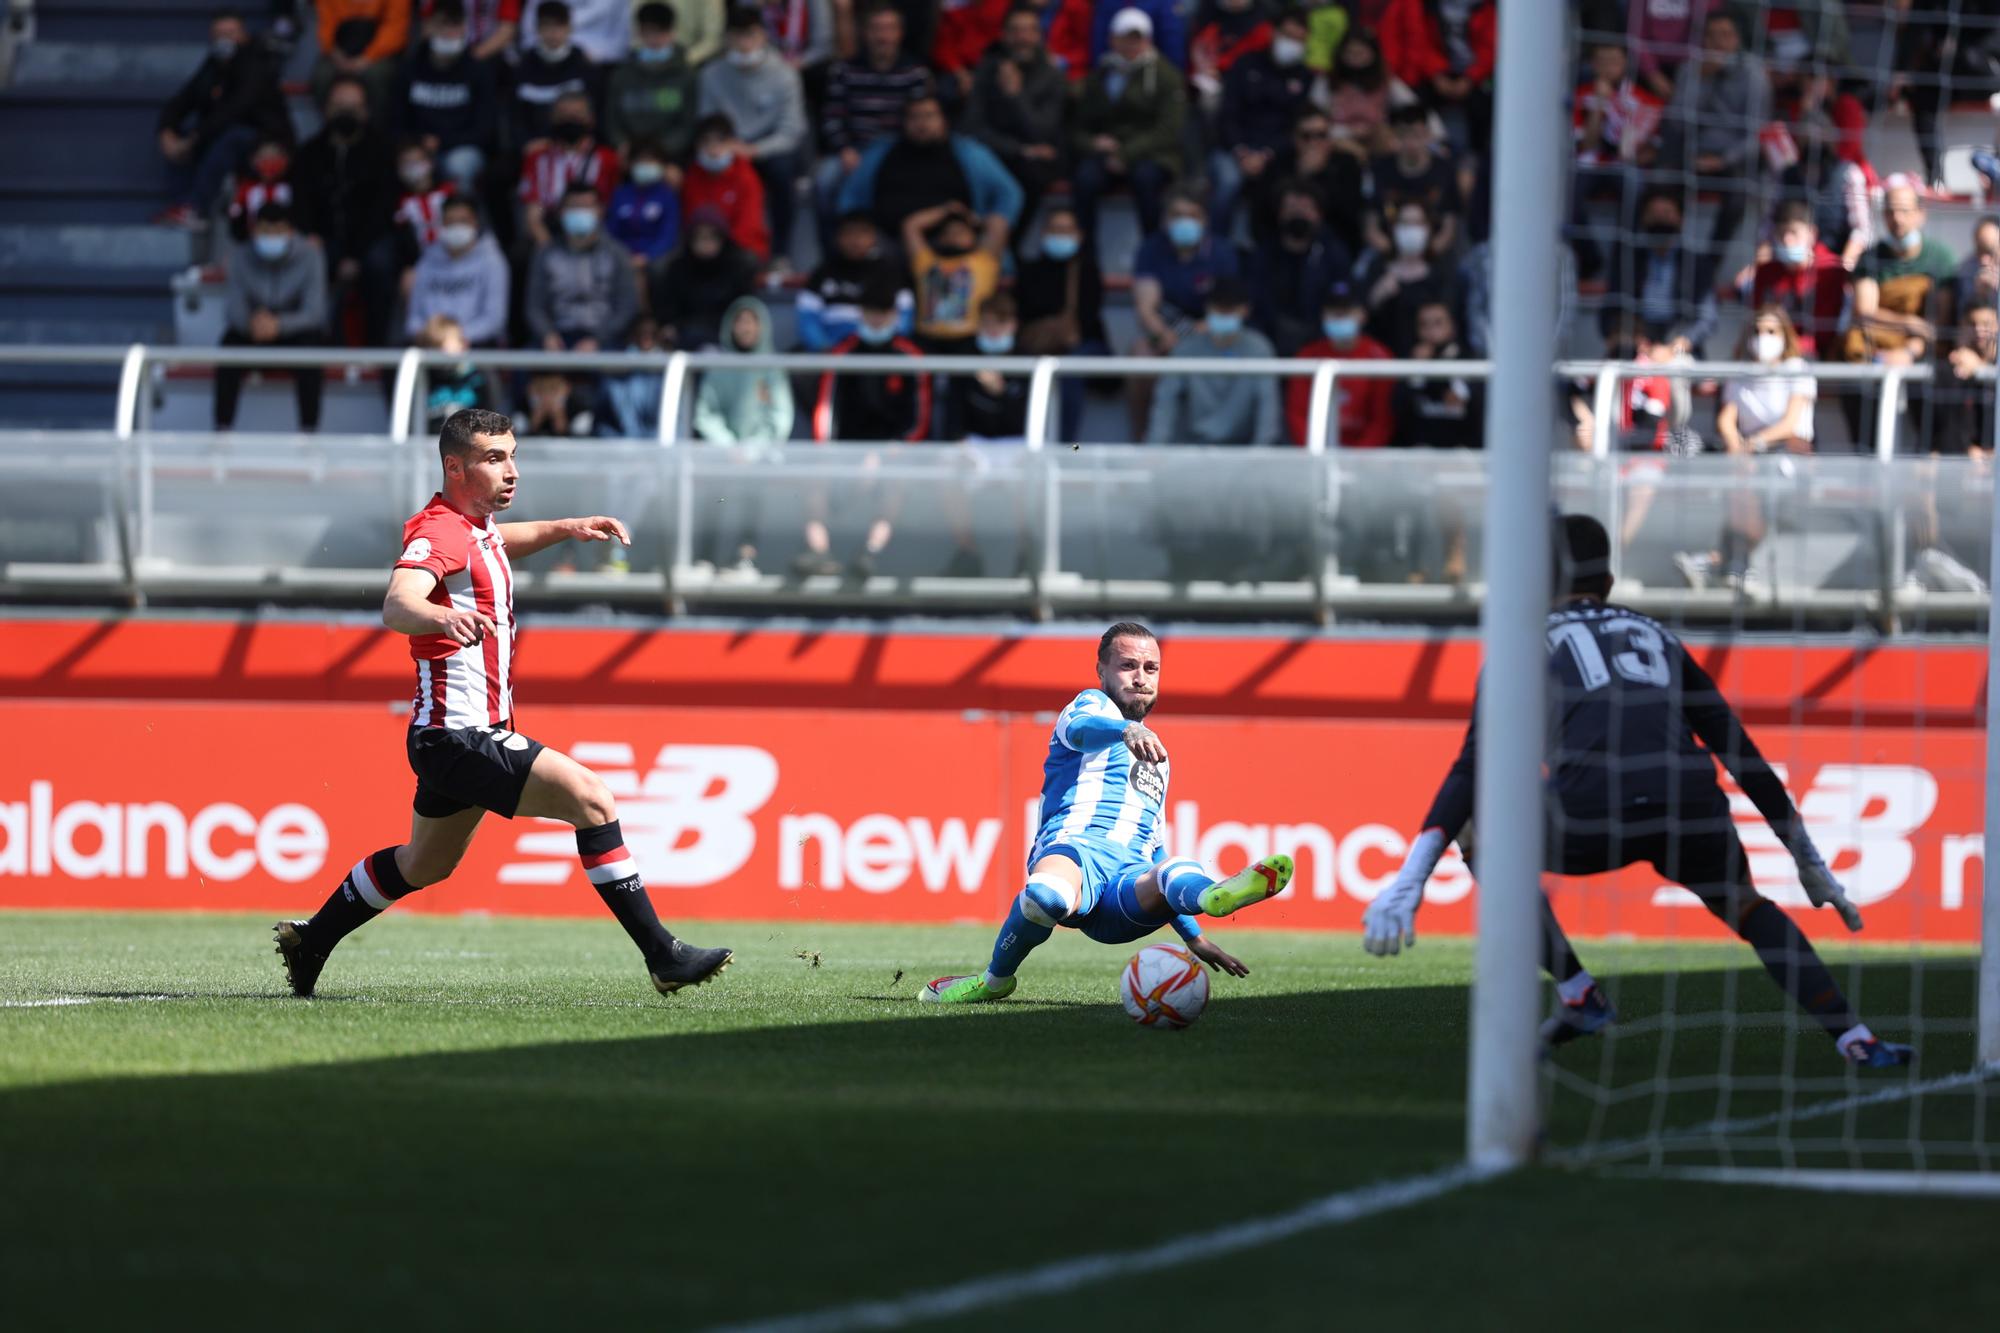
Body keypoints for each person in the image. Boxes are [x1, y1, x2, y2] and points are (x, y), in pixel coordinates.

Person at [1362, 513, 1914, 1070]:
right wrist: (1807, 857)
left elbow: (1473, 767)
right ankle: (1856, 1039)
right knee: (1746, 907)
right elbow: (1737, 749)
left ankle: (1579, 991)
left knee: (1478, 824)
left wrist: (1413, 879)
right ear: (1608, 580)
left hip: (1589, 813)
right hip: (1687, 804)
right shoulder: (1658, 635)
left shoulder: (1522, 644)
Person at [272, 409, 734, 1000]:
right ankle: (663, 955)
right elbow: (396, 603)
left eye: (513, 455)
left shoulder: (471, 527)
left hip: (447, 738)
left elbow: (497, 542)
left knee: (423, 865)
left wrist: (566, 527)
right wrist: (440, 613)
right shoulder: (438, 533)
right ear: (455, 466)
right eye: (495, 459)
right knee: (592, 800)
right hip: (460, 735)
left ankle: (313, 940)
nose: (511, 471)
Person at [921, 622, 1294, 1004]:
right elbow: (1083, 730)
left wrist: (1193, 937)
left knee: (1172, 867)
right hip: (1078, 856)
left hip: (1125, 890)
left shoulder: (1158, 760)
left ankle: (1212, 896)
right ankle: (994, 979)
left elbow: (1154, 849)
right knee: (1046, 897)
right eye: (1128, 666)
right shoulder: (1090, 707)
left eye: (1151, 669)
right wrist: (1125, 730)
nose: (1140, 678)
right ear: (1101, 671)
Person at [1673, 305, 1817, 593]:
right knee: (1736, 472)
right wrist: (1736, 446)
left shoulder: (1798, 369)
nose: (1763, 337)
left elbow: (1790, 423)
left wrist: (1753, 445)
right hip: (1750, 452)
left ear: (1785, 335)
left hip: (1790, 451)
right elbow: (1727, 419)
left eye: (1771, 331)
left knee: (1753, 480)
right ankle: (1732, 565)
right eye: (1758, 331)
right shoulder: (1741, 372)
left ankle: (1721, 561)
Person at [156, 8, 292, 229]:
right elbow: (183, 99)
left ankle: (196, 208)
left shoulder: (256, 63)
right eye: (220, 34)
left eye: (232, 33)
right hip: (220, 134)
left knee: (231, 136)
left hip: (265, 140)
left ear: (244, 35)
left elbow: (234, 110)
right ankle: (182, 204)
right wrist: (166, 130)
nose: (226, 39)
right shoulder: (213, 64)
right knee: (180, 136)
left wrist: (195, 137)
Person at [838, 94, 1024, 254]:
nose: (922, 123)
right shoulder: (882, 152)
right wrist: (858, 228)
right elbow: (850, 197)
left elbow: (1010, 192)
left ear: (944, 120)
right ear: (903, 122)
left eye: (929, 116)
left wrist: (998, 221)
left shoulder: (969, 153)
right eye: (914, 117)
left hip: (951, 244)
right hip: (888, 244)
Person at [293, 77, 401, 345]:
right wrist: (311, 236)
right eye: (339, 105)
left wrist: (354, 254)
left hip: (370, 238)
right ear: (326, 108)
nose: (346, 112)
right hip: (324, 237)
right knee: (309, 258)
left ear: (366, 110)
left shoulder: (383, 151)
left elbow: (382, 209)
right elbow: (301, 204)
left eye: (353, 106)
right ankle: (316, 343)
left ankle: (379, 348)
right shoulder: (309, 153)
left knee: (380, 263)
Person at [698, 11, 810, 267]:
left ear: (764, 37)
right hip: (725, 143)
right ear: (726, 40)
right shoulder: (711, 74)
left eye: (750, 35)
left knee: (782, 171)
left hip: (771, 147)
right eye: (737, 37)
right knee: (702, 167)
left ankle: (781, 253)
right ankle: (711, 251)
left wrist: (755, 150)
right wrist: (724, 145)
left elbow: (792, 131)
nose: (744, 44)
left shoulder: (784, 74)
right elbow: (706, 120)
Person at [815, 3, 934, 244]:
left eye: (889, 29)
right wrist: (844, 149)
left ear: (900, 33)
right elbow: (832, 117)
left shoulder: (915, 72)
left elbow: (919, 120)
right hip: (855, 149)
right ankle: (833, 251)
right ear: (865, 33)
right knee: (824, 179)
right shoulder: (845, 70)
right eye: (877, 29)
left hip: (897, 151)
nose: (883, 36)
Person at [692, 296, 794, 573]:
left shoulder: (772, 368)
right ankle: (705, 557)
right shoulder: (719, 366)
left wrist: (751, 450)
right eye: (741, 322)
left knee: (754, 495)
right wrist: (728, 446)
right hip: (723, 455)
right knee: (714, 497)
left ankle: (744, 557)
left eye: (751, 322)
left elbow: (779, 417)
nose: (746, 328)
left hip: (759, 456)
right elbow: (706, 412)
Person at [1071, 8, 1186, 241]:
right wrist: (1093, 143)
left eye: (1138, 38)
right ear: (1112, 39)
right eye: (1125, 38)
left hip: (1152, 154)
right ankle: (1086, 258)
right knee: (1085, 179)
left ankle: (1153, 251)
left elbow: (1168, 130)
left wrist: (1126, 154)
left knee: (1146, 179)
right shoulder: (1100, 74)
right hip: (1108, 152)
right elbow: (1077, 125)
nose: (1131, 44)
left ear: (1148, 40)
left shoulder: (1166, 76)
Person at [214, 203, 328, 432]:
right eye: (265, 230)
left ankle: (309, 433)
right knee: (228, 346)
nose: (271, 237)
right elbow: (233, 309)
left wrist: (280, 325)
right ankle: (222, 432)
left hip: (293, 332)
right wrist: (251, 323)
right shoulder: (240, 256)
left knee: (312, 351)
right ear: (255, 231)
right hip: (253, 330)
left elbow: (315, 313)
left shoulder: (310, 256)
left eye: (278, 231)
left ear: (290, 231)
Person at [1658, 8, 1766, 248]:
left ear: (1737, 40)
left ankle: (1709, 263)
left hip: (1731, 158)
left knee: (1739, 198)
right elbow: (1676, 122)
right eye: (1712, 35)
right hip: (1690, 151)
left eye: (1725, 35)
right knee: (1658, 188)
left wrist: (1723, 160)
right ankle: (1666, 254)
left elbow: (1756, 135)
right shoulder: (1690, 69)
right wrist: (1703, 80)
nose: (1718, 42)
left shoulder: (1753, 74)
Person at [961, 5, 1068, 243]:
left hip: (1034, 161)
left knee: (1033, 174)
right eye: (1016, 31)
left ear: (1039, 35)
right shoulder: (987, 70)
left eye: (1029, 31)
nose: (1023, 38)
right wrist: (1019, 149)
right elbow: (972, 126)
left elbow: (1043, 131)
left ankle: (1007, 246)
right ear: (1004, 35)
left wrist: (1016, 95)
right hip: (996, 153)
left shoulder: (1051, 76)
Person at [1210, 7, 1311, 234]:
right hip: (1234, 148)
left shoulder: (1305, 77)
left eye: (1298, 39)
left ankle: (1266, 249)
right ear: (1273, 33)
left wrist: (1266, 154)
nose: (1291, 43)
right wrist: (1241, 151)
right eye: (1287, 36)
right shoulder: (1246, 64)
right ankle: (1216, 248)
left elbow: (1296, 126)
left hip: (1277, 153)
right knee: (1228, 182)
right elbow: (1227, 114)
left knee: (1281, 188)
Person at [1146, 278, 1280, 447]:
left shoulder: (1259, 349)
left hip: (1243, 452)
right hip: (1193, 449)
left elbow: (1267, 413)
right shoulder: (1186, 349)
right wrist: (1154, 451)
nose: (1224, 315)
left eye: (1230, 310)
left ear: (1245, 311)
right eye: (1219, 309)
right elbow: (1165, 404)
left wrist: (1260, 455)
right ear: (1208, 308)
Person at [524, 182, 639, 353]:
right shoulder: (546, 254)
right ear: (561, 212)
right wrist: (547, 335)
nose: (580, 213)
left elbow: (627, 306)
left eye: (586, 207)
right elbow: (534, 306)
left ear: (600, 211)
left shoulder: (617, 254)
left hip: (604, 338)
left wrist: (598, 340)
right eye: (574, 207)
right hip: (557, 337)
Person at [395, 1, 498, 192]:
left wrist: (442, 141)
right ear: (428, 26)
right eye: (443, 24)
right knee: (410, 165)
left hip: (461, 148)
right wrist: (417, 144)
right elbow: (397, 119)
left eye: (456, 25)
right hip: (417, 148)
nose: (449, 32)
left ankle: (460, 215)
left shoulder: (478, 71)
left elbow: (484, 129)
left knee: (459, 164)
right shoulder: (410, 68)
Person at [1376, 0, 1494, 156]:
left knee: (1486, 106)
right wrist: (1437, 74)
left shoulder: (1486, 8)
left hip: (1474, 77)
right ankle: (1438, 148)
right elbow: (1420, 41)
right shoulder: (1425, 5)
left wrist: (1471, 78)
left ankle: (1477, 160)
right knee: (1415, 103)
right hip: (1433, 75)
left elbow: (1490, 48)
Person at [1246, 181, 1351, 356]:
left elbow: (1342, 297)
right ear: (1280, 214)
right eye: (1292, 208)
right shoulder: (1263, 255)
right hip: (1270, 341)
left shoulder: (1333, 253)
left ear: (1318, 215)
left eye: (1305, 208)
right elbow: (1254, 302)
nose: (1298, 214)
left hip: (1322, 341)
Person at [1285, 282, 1392, 448]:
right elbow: (1297, 414)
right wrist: (1315, 451)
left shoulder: (1379, 356)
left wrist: (1357, 459)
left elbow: (1382, 420)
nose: (1339, 318)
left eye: (1346, 313)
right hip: (1317, 450)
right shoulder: (1308, 355)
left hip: (1364, 457)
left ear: (1362, 315)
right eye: (1334, 314)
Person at [1743, 200, 1849, 360]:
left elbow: (1826, 330)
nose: (1787, 239)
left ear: (1812, 234)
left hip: (1817, 355)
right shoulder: (1766, 272)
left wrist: (1789, 346)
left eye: (1793, 232)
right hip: (1770, 350)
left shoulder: (1830, 270)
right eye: (1781, 233)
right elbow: (1756, 317)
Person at [1353, 199, 1460, 357]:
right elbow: (1359, 316)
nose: (1411, 229)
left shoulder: (1442, 271)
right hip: (1381, 359)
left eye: (1417, 223)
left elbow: (1451, 322)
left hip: (1431, 362)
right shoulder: (1376, 267)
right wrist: (1376, 296)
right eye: (1405, 222)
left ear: (1428, 228)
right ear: (1393, 228)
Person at [518, 90, 621, 250]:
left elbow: (612, 207)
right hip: (551, 231)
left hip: (598, 234)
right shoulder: (538, 158)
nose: (570, 121)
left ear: (591, 120)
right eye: (564, 115)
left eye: (577, 115)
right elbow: (535, 210)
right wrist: (548, 248)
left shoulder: (608, 159)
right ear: (553, 119)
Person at [797, 211, 914, 351]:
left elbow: (905, 321)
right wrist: (825, 351)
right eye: (849, 233)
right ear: (838, 237)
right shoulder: (822, 273)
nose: (855, 240)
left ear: (873, 236)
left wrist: (885, 348)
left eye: (862, 233)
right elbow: (808, 320)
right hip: (832, 356)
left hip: (884, 353)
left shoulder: (891, 271)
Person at [405, 195, 511, 346]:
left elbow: (494, 320)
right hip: (429, 345)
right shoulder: (427, 261)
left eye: (463, 221)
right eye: (450, 222)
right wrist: (428, 334)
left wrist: (457, 336)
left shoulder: (492, 261)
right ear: (442, 224)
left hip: (474, 347)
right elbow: (413, 318)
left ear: (475, 223)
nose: (456, 227)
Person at [651, 207, 759, 351]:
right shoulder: (677, 269)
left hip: (727, 339)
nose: (706, 243)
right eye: (700, 237)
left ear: (722, 239)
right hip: (684, 339)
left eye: (711, 237)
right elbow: (668, 312)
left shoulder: (737, 268)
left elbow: (743, 307)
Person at [902, 202, 1004, 352]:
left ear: (973, 236)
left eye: (960, 232)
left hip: (970, 339)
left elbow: (998, 225)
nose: (953, 237)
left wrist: (970, 218)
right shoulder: (926, 262)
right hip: (927, 340)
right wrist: (945, 210)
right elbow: (910, 226)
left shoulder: (984, 261)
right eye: (947, 233)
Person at [605, 2, 700, 162]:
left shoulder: (686, 75)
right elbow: (611, 120)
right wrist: (622, 144)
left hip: (670, 158)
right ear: (640, 33)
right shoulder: (622, 74)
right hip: (628, 157)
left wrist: (658, 152)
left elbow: (688, 126)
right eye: (649, 33)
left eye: (660, 33)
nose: (655, 40)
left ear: (672, 33)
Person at [1365, 103, 1460, 262]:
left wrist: (1424, 258)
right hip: (1388, 255)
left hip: (1433, 256)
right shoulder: (1379, 169)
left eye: (1417, 135)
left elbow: (1448, 229)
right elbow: (1371, 226)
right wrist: (1396, 257)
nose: (1411, 143)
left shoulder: (1444, 171)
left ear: (1428, 135)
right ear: (1394, 136)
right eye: (1404, 135)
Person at [510, 1, 604, 154]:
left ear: (569, 28)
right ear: (537, 29)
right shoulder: (523, 68)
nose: (553, 33)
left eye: (559, 26)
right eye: (547, 26)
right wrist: (526, 143)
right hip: (533, 147)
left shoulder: (584, 66)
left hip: (578, 147)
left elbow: (596, 113)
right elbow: (516, 117)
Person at [1389, 299, 1481, 450]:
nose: (1431, 331)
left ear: (1452, 326)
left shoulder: (1470, 360)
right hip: (1420, 452)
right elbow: (1398, 411)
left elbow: (1479, 409)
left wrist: (1462, 391)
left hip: (1462, 451)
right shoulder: (1409, 361)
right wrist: (1416, 371)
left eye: (1438, 323)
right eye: (1424, 325)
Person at [680, 115, 771, 263]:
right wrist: (706, 245)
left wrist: (719, 249)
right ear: (697, 146)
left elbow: (749, 227)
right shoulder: (692, 177)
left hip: (738, 249)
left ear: (733, 144)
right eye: (706, 142)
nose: (713, 150)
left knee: (745, 260)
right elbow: (692, 222)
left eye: (720, 142)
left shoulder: (746, 176)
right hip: (700, 247)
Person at [944, 292, 1030, 441]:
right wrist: (957, 439)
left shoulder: (1026, 360)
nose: (994, 329)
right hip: (973, 442)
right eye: (987, 322)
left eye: (1001, 322)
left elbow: (1026, 421)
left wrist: (1001, 393)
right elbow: (953, 410)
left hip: (1015, 441)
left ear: (1014, 325)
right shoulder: (965, 356)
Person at [312, 0, 413, 113]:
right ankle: (332, 127)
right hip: (340, 50)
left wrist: (368, 57)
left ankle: (376, 128)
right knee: (322, 75)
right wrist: (335, 53)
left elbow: (395, 29)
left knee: (377, 75)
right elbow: (326, 24)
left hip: (380, 54)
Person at [606, 139, 683, 267]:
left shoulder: (667, 195)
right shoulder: (620, 193)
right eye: (641, 161)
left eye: (651, 161)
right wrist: (623, 256)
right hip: (622, 254)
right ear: (630, 164)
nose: (646, 165)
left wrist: (647, 256)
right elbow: (612, 230)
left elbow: (668, 235)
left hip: (655, 256)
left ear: (662, 165)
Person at [417, 314, 493, 432]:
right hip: (431, 446)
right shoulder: (422, 376)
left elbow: (493, 417)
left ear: (464, 343)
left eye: (443, 346)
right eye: (435, 347)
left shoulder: (479, 377)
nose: (440, 353)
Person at [226, 135, 296, 243]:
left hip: (286, 241)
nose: (270, 163)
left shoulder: (292, 187)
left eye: (274, 157)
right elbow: (236, 215)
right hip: (253, 242)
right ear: (254, 160)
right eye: (265, 158)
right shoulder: (247, 187)